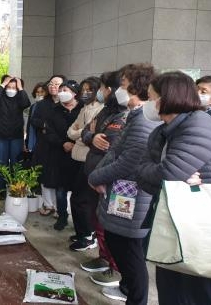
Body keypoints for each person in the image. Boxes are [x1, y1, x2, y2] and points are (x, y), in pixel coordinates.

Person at [137, 71, 211, 305]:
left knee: (197, 293)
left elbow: (168, 175)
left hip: (199, 230)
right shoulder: (163, 130)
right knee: (171, 289)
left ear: (167, 98)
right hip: (174, 223)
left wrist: (160, 172)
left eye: (151, 97)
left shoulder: (199, 125)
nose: (148, 103)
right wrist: (159, 172)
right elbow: (145, 174)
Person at [88, 63, 159, 304]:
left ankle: (136, 298)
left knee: (130, 253)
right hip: (122, 191)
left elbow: (127, 162)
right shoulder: (135, 115)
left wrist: (96, 177)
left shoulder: (144, 120)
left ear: (137, 88)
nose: (119, 89)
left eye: (124, 84)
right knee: (119, 244)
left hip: (132, 194)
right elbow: (115, 152)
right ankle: (128, 288)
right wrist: (99, 173)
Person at [78, 70, 128, 283]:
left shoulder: (124, 115)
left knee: (112, 225)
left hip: (111, 179)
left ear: (111, 90)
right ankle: (103, 258)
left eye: (101, 88)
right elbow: (85, 132)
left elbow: (112, 143)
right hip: (94, 172)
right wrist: (91, 136)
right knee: (97, 220)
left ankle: (115, 268)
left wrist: (95, 135)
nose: (99, 92)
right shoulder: (105, 110)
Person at [37, 80, 83, 230]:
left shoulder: (83, 109)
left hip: (79, 154)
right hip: (59, 153)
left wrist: (75, 144)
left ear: (75, 93)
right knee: (60, 189)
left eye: (66, 90)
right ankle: (62, 216)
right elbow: (48, 132)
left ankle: (79, 222)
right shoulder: (54, 110)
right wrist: (62, 143)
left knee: (78, 191)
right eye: (61, 89)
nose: (62, 92)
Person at [67, 76, 103, 250]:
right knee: (76, 198)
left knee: (84, 200)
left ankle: (88, 235)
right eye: (84, 90)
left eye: (90, 90)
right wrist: (82, 134)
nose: (85, 93)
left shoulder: (99, 109)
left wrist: (81, 134)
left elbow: (87, 135)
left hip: (89, 160)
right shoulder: (85, 108)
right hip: (78, 157)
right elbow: (71, 131)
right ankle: (81, 232)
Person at [0, 75, 31, 196]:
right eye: (9, 87)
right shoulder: (0, 98)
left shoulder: (20, 99)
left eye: (14, 87)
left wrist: (20, 87)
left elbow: (26, 103)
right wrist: (3, 84)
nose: (11, 89)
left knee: (16, 165)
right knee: (1, 165)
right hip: (1, 137)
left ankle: (16, 190)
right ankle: (1, 191)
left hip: (16, 137)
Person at [31, 75, 66, 216]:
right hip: (44, 144)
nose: (53, 86)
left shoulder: (67, 103)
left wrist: (50, 127)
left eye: (57, 84)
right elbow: (35, 120)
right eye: (51, 83)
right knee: (44, 175)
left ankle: (60, 208)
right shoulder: (42, 104)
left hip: (61, 146)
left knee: (59, 176)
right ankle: (48, 205)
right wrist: (45, 125)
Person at [25, 82, 49, 153]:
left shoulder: (49, 106)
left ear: (46, 93)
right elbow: (29, 124)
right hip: (33, 139)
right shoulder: (33, 106)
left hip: (44, 140)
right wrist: (27, 141)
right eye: (37, 92)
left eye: (42, 92)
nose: (39, 94)